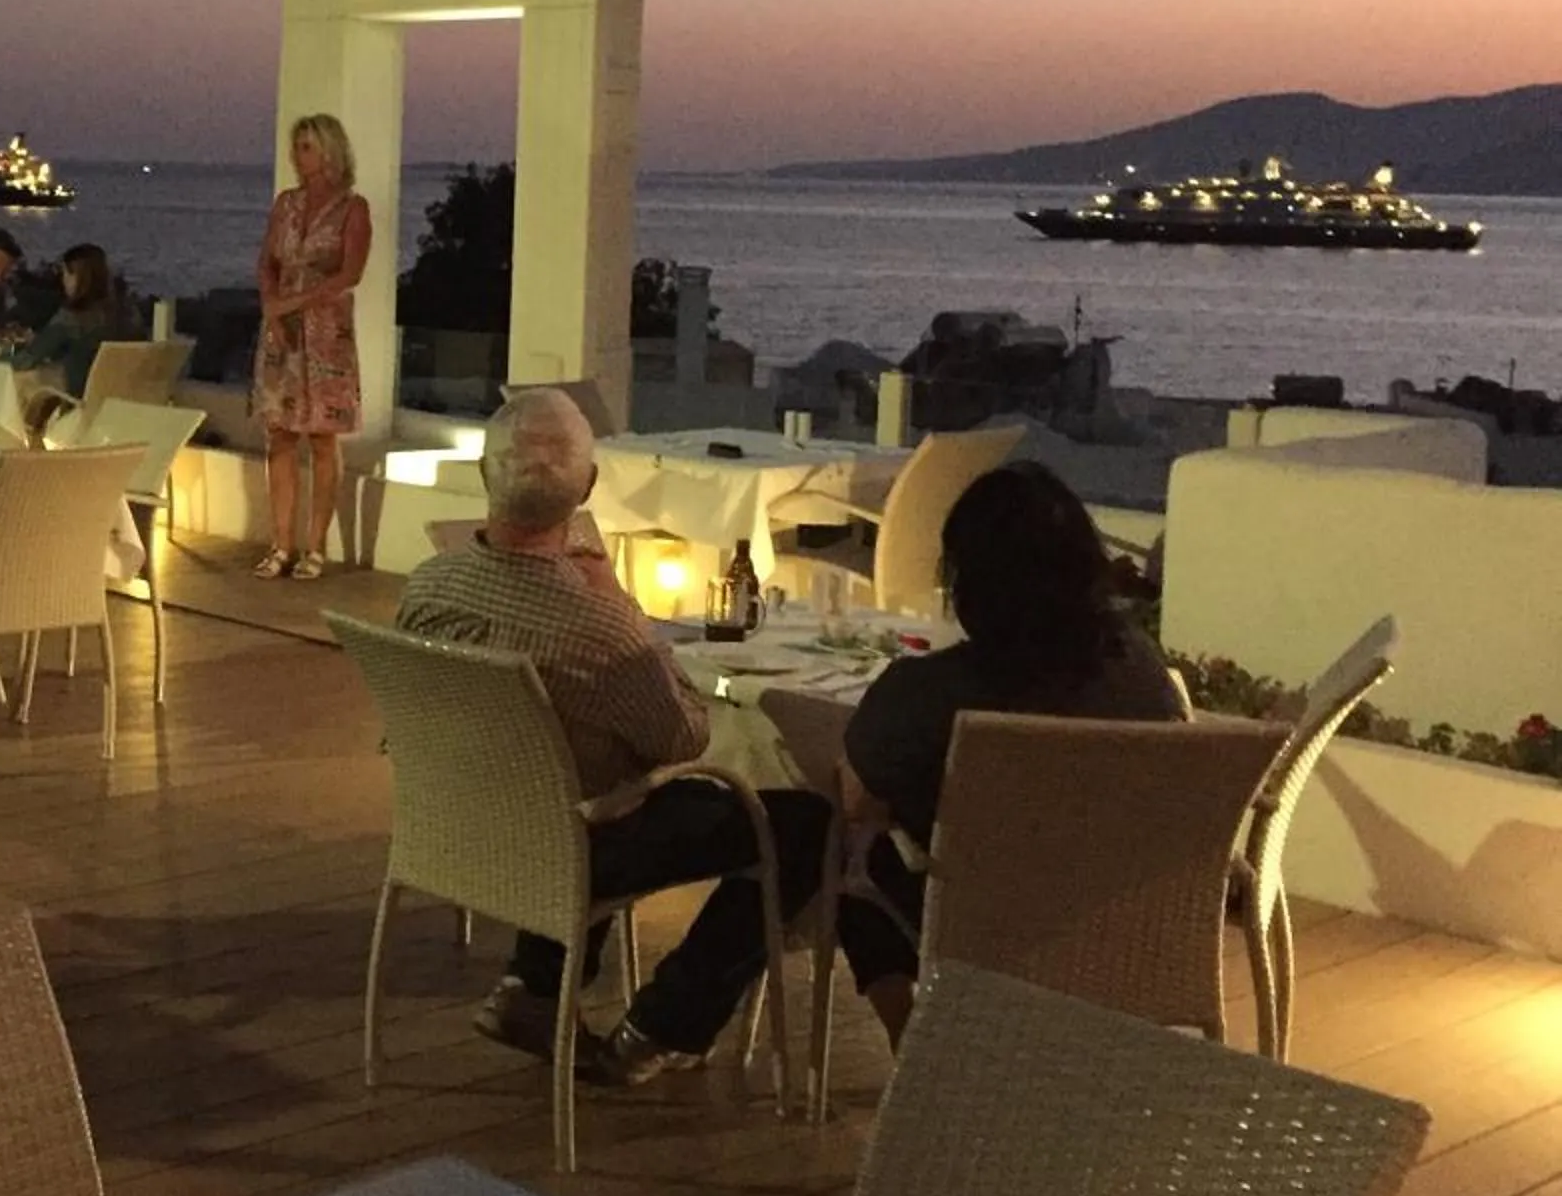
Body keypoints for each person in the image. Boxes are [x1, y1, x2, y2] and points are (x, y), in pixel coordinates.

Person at [394, 391, 832, 1081]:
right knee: (806, 823)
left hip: (459, 832)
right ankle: (663, 1026)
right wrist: (623, 607)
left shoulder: (428, 586)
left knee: (588, 768)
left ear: (482, 475)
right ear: (588, 489)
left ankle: (533, 989)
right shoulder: (601, 628)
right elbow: (683, 738)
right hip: (566, 851)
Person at [817, 460, 1184, 1047]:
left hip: (984, 921)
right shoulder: (1138, 671)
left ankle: (913, 1045)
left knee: (840, 840)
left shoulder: (932, 692)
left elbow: (856, 795)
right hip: (1124, 918)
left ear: (969, 582)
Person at [251, 112, 371, 579]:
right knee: (279, 434)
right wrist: (272, 308)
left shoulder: (352, 208)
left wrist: (294, 302)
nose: (298, 156)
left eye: (306, 146)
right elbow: (267, 262)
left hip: (326, 334)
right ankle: (281, 543)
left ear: (329, 151)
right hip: (282, 330)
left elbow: (350, 273)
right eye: (296, 146)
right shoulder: (286, 205)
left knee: (322, 437)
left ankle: (316, 546)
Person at [14, 242, 122, 398]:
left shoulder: (70, 318)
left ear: (76, 276)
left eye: (65, 274)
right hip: (114, 404)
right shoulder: (123, 315)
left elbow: (25, 361)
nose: (63, 280)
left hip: (78, 400)